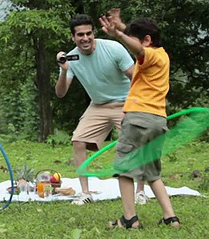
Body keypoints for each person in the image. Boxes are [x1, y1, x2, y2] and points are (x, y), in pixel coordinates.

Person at [55, 13, 147, 205]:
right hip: (98, 105)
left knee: (135, 143)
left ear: (93, 33)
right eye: (80, 35)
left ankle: (140, 191)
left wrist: (137, 105)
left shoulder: (113, 48)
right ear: (73, 37)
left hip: (125, 102)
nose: (85, 38)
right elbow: (60, 93)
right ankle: (85, 193)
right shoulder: (71, 58)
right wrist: (64, 71)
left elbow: (135, 77)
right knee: (78, 141)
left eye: (89, 33)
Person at [99, 10, 180, 229]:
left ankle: (129, 219)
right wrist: (122, 27)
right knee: (152, 171)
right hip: (157, 120)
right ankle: (170, 217)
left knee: (124, 168)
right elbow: (139, 41)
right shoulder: (163, 55)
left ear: (147, 40)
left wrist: (118, 35)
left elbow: (139, 48)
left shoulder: (149, 54)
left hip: (139, 118)